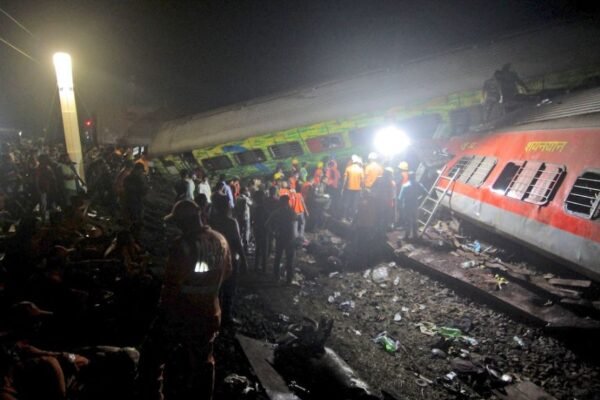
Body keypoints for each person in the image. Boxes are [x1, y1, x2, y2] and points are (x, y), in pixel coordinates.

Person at [140, 200, 231, 399]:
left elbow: (171, 285)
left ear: (182, 222)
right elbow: (227, 272)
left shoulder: (183, 246)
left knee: (153, 356)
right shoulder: (220, 240)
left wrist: (163, 312)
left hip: (183, 313)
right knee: (204, 361)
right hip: (211, 312)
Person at [209, 193, 248, 324]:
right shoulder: (231, 222)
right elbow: (237, 242)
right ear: (226, 206)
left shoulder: (211, 220)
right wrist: (244, 260)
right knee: (229, 289)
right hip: (230, 260)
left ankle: (216, 315)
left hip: (215, 259)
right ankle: (227, 316)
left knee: (217, 288)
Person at [266, 195, 297, 284]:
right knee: (289, 259)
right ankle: (288, 279)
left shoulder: (278, 212)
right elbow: (295, 223)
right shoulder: (290, 212)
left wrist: (273, 233)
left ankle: (277, 277)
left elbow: (267, 224)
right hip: (289, 238)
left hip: (281, 237)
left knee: (278, 258)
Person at [341, 155, 364, 221]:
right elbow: (362, 181)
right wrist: (362, 189)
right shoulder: (360, 170)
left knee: (347, 203)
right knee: (355, 204)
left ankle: (344, 217)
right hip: (357, 190)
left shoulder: (348, 168)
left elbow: (345, 179)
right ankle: (351, 218)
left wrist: (343, 188)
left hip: (348, 188)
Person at [251, 189, 268, 271]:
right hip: (263, 229)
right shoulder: (262, 207)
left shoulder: (256, 207)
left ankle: (256, 266)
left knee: (258, 247)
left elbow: (253, 219)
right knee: (264, 248)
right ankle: (263, 267)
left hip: (257, 228)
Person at [234, 186, 252, 253]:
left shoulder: (237, 198)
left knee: (240, 232)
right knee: (246, 232)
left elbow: (235, 208)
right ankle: (246, 247)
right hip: (246, 217)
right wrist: (249, 196)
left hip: (239, 217)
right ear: (244, 191)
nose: (247, 191)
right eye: (246, 190)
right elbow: (251, 204)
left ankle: (239, 247)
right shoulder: (245, 198)